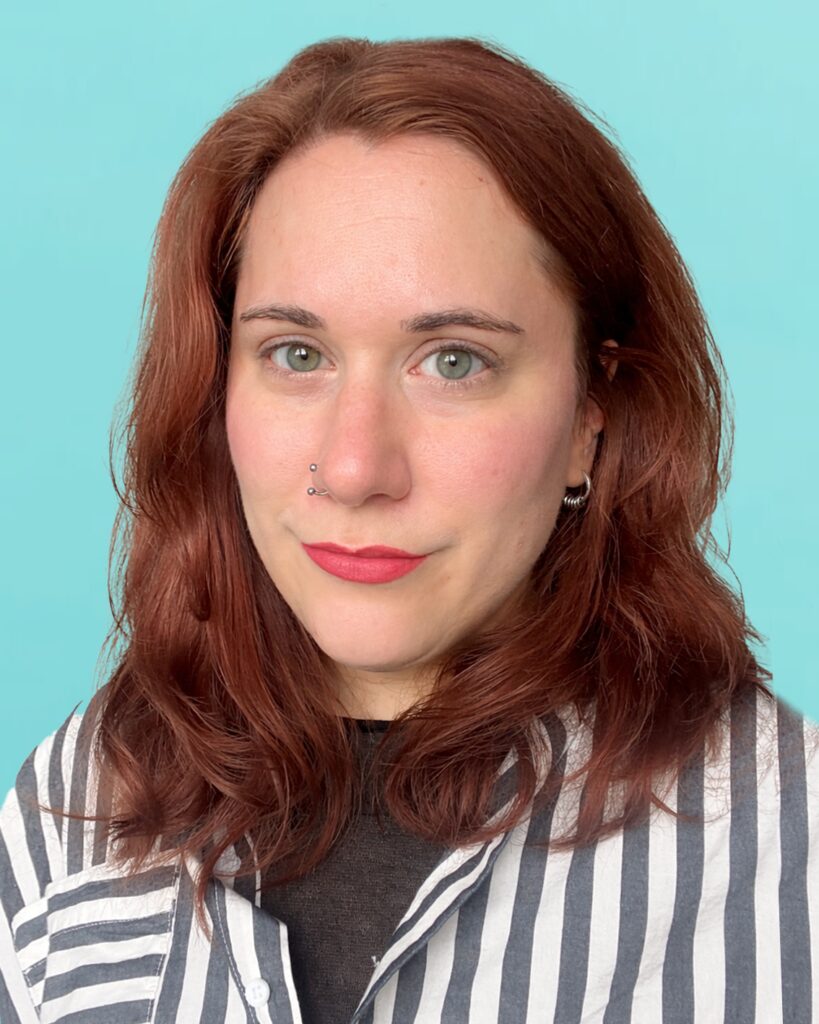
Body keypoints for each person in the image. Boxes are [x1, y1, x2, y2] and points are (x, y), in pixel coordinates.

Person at [1, 35, 817, 1024]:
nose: (354, 470)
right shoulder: (77, 804)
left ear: (591, 414)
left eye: (454, 361)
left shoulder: (791, 845)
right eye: (296, 354)